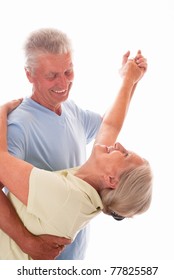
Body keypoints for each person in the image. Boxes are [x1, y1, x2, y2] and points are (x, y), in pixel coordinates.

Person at [0, 28, 148, 260]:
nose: (64, 82)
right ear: (29, 75)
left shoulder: (71, 110)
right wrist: (25, 240)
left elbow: (107, 127)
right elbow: (109, 129)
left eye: (68, 71)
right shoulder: (19, 126)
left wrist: (130, 81)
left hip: (73, 258)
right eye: (52, 75)